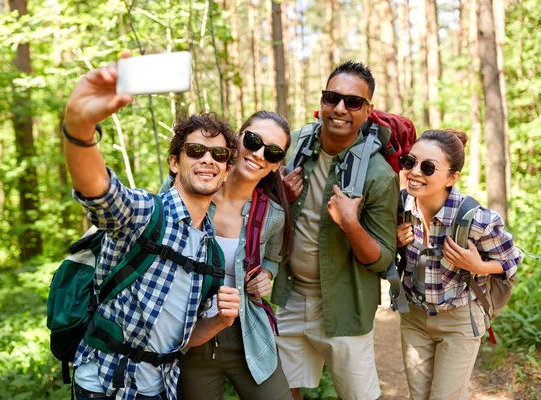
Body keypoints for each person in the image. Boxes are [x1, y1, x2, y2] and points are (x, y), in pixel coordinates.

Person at [62, 51, 242, 400]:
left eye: (218, 155)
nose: (208, 159)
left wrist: (220, 321)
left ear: (225, 170)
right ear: (175, 162)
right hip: (103, 385)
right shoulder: (145, 213)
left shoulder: (212, 253)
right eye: (195, 151)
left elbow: (184, 339)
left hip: (160, 390)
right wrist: (79, 127)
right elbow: (98, 192)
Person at [271, 60, 398, 400]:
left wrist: (351, 225)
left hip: (345, 306)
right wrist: (280, 196)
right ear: (322, 101)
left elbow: (382, 258)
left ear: (367, 111)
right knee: (280, 391)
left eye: (353, 102)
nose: (340, 108)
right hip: (289, 296)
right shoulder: (293, 146)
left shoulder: (379, 176)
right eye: (332, 98)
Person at [396, 129, 522, 400]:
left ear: (452, 178)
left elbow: (512, 258)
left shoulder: (477, 220)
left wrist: (479, 265)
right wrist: (396, 241)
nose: (415, 172)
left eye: (428, 167)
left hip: (459, 321)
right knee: (419, 396)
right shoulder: (401, 206)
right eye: (410, 162)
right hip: (414, 317)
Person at [179, 111, 294, 400]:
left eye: (272, 151)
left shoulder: (273, 215)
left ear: (276, 165)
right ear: (236, 139)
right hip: (189, 338)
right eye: (253, 141)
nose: (258, 153)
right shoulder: (190, 191)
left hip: (248, 333)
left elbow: (272, 259)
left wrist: (267, 275)